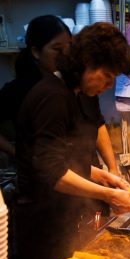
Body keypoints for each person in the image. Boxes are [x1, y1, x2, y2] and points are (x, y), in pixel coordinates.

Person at [14, 22, 130, 259]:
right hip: (44, 225)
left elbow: (67, 159)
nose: (107, 86)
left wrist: (107, 176)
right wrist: (109, 194)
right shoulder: (52, 97)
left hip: (67, 217)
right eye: (106, 77)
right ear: (86, 62)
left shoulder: (76, 93)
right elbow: (53, 173)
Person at [0, 15, 120, 177]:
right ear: (36, 52)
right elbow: (54, 170)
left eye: (68, 47)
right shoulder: (36, 92)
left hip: (86, 175)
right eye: (57, 49)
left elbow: (97, 123)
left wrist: (112, 169)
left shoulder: (81, 83)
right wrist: (16, 152)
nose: (65, 54)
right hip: (50, 186)